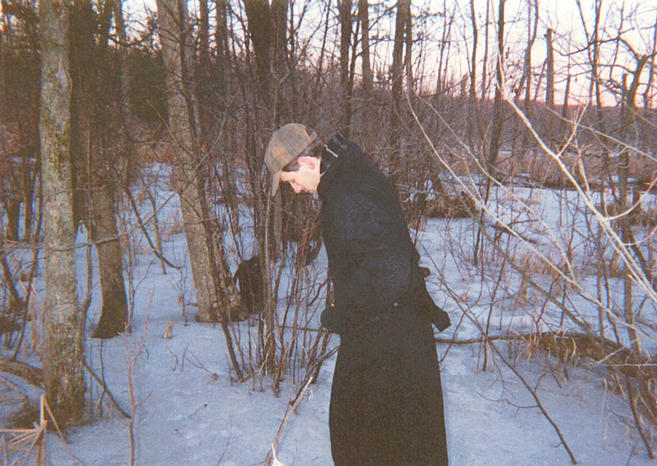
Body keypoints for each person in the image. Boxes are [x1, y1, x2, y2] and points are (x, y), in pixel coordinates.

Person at [264, 123, 450, 465]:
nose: (295, 191)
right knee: (369, 438)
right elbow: (374, 257)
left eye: (290, 182)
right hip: (389, 332)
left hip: (392, 341)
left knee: (365, 440)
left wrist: (346, 311)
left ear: (305, 164)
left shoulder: (350, 192)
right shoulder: (346, 181)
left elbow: (392, 267)